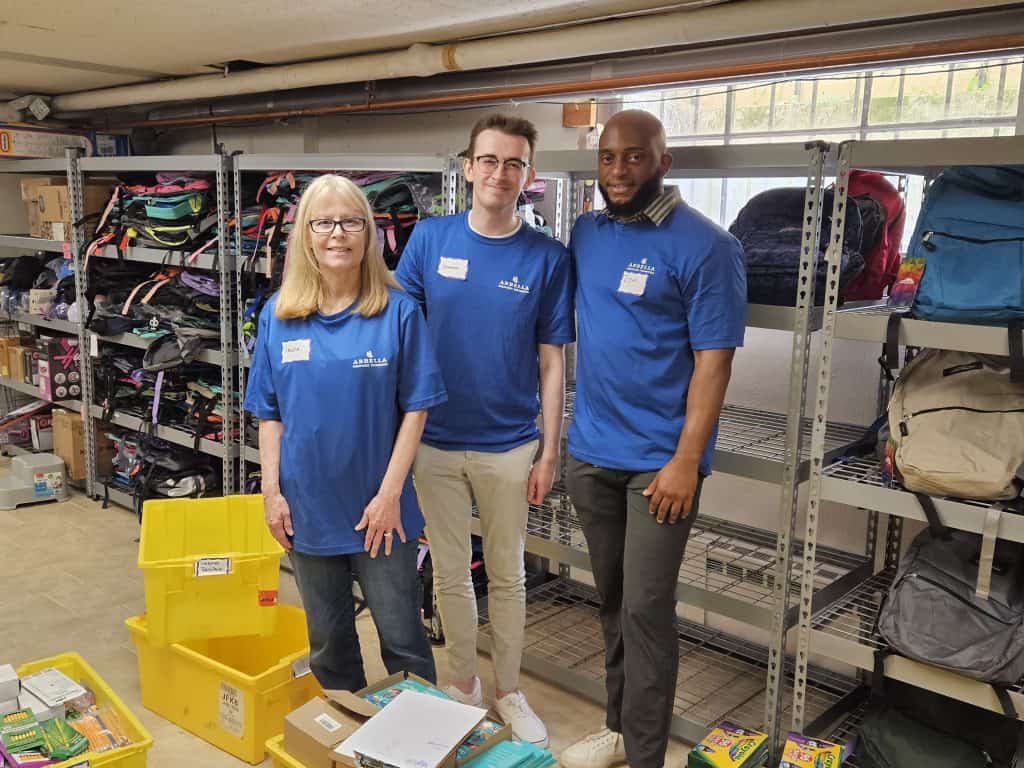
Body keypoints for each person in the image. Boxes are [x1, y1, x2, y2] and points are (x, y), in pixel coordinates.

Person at [559, 110, 746, 768]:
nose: (618, 171)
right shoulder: (586, 230)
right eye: (608, 158)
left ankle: (644, 758)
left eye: (634, 157)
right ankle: (616, 729)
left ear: (663, 162)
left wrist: (687, 462)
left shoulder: (707, 246)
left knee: (645, 608)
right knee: (609, 599)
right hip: (590, 454)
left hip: (659, 468)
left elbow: (714, 363)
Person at [395, 113, 575, 747]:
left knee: (507, 574)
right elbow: (400, 335)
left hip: (509, 446)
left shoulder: (548, 258)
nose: (501, 173)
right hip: (436, 442)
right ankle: (462, 686)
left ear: (529, 176)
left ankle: (510, 692)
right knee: (449, 572)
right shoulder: (429, 241)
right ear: (468, 168)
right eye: (489, 160)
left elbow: (553, 362)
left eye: (515, 163)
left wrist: (550, 450)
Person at [244, 174, 446, 691]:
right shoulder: (279, 315)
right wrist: (271, 493)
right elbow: (270, 414)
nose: (338, 233)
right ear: (306, 235)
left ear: (368, 234)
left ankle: (416, 745)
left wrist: (390, 495)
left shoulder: (397, 311)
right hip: (306, 510)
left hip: (381, 513)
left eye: (351, 221)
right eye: (324, 222)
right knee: (329, 642)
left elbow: (416, 411)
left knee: (403, 640)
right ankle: (348, 739)